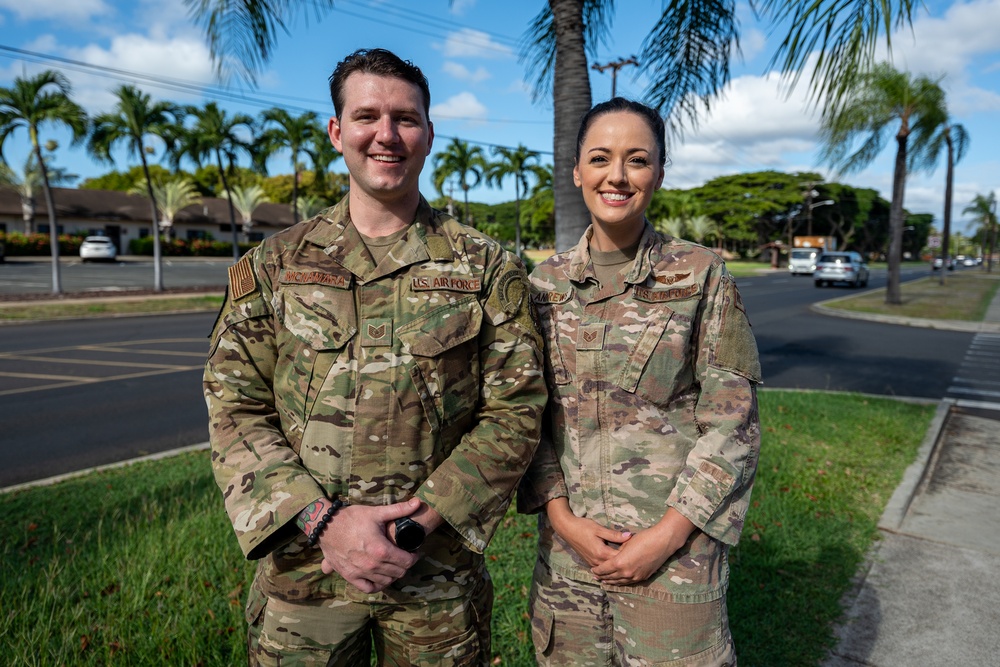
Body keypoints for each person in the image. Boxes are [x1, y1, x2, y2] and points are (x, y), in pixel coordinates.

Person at [204, 47, 546, 666]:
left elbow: (517, 409)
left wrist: (418, 525)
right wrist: (324, 523)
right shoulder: (275, 266)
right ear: (337, 132)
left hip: (435, 578)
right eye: (367, 117)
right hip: (304, 576)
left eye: (405, 118)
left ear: (430, 133)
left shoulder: (485, 266)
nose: (386, 135)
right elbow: (234, 406)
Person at [518, 97, 761, 666]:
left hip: (674, 561)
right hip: (568, 563)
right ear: (576, 170)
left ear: (658, 172)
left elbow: (733, 421)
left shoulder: (701, 274)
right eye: (600, 158)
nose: (618, 176)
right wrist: (561, 518)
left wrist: (668, 535)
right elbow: (526, 414)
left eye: (638, 160)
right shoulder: (544, 285)